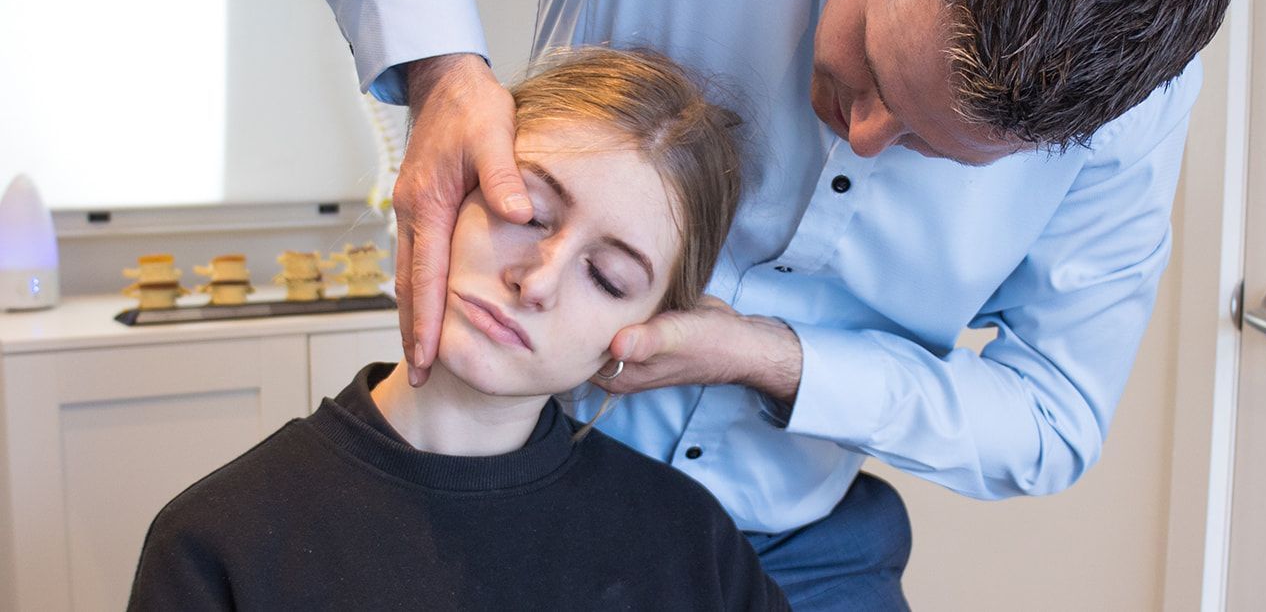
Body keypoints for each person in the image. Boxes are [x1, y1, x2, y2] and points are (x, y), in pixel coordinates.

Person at [267, 0, 1233, 609]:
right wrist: (440, 69)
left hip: (803, 546)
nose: (861, 134)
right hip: (527, 481)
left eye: (929, 150)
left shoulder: (1131, 102)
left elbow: (1052, 414)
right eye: (877, 66)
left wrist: (779, 359)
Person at [128, 47, 786, 611]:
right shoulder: (220, 541)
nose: (539, 279)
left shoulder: (690, 541)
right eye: (526, 212)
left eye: (608, 276)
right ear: (444, 189)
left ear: (644, 328)